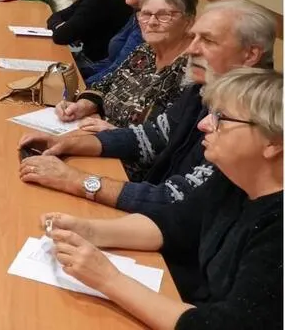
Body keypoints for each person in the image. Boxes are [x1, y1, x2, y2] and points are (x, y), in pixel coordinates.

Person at [38, 67, 282, 328]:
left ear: (273, 142)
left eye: (220, 118)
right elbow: (175, 223)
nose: (203, 125)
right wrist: (88, 230)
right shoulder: (235, 179)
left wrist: (109, 279)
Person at [17, 0, 277, 214]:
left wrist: (75, 180)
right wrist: (65, 143)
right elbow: (153, 135)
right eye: (194, 37)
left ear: (250, 54)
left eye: (207, 41)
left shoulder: (250, 120)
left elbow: (181, 201)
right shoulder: (204, 86)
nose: (191, 49)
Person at [55, 0, 197, 128]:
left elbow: (171, 133)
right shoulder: (144, 51)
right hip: (96, 130)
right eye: (146, 14)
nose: (151, 22)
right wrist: (82, 106)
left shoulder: (192, 72)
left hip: (117, 140)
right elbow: (105, 84)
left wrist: (112, 131)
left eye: (164, 15)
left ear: (189, 22)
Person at [82, 0, 177, 83]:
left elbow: (119, 71)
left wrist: (83, 86)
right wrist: (79, 72)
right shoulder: (137, 13)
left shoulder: (152, 25)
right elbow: (111, 61)